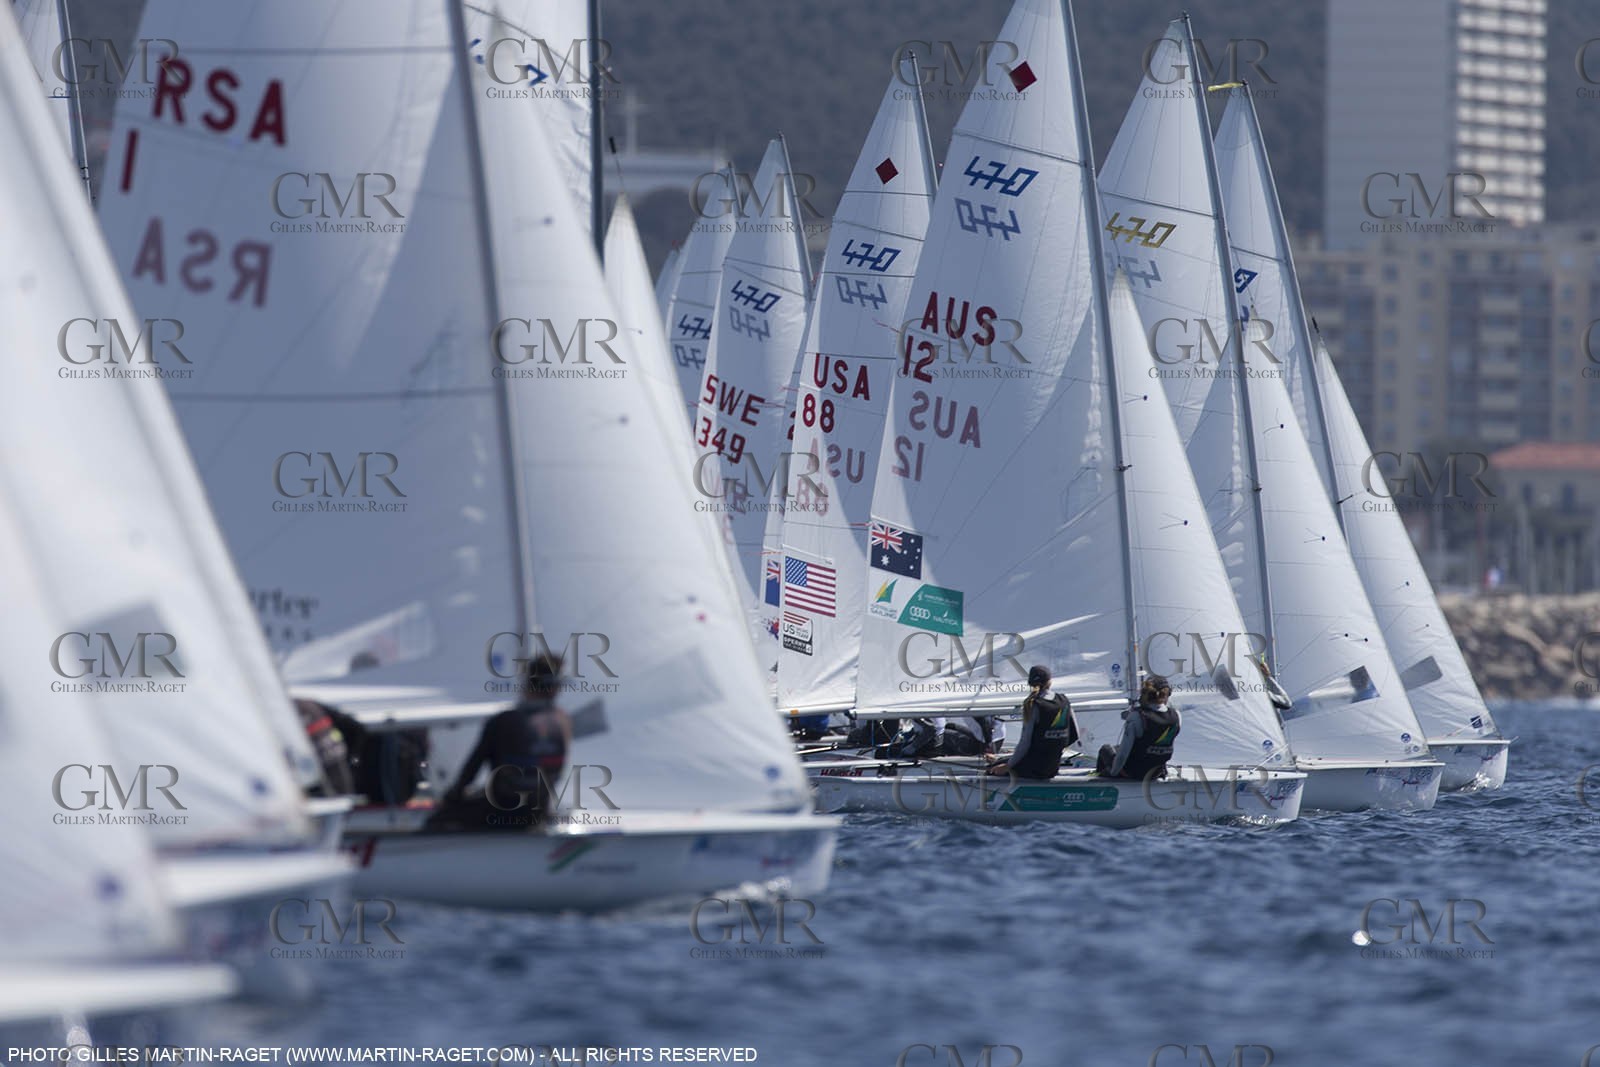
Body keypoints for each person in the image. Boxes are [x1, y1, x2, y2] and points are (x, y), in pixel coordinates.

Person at [424, 653, 572, 832]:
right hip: (537, 814)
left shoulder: (503, 721)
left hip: (499, 814)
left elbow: (470, 771)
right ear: (556, 688)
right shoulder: (563, 721)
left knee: (437, 821)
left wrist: (451, 798)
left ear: (526, 684)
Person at [985, 666, 1077, 779]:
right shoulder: (1064, 700)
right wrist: (1054, 748)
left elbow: (1025, 743)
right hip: (1052, 767)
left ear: (1030, 683)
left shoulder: (1033, 704)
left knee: (993, 769)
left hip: (1033, 769)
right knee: (1000, 762)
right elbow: (1074, 735)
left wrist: (1007, 766)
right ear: (1050, 681)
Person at [1097, 674, 1182, 780]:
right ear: (1166, 694)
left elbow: (1123, 753)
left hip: (1132, 773)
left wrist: (1113, 773)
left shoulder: (1137, 716)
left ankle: (1099, 784)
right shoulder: (1177, 716)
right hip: (1156, 773)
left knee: (1106, 749)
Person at [294, 698, 355, 797]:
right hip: (320, 763)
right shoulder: (309, 705)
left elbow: (353, 727)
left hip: (330, 761)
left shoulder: (306, 706)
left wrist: (353, 755)